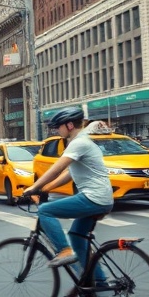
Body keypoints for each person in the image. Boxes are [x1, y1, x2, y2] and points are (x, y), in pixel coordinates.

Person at [23, 107, 113, 283]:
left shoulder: (78, 143)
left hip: (93, 198)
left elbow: (57, 168)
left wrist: (34, 187)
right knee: (77, 236)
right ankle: (99, 282)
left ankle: (64, 250)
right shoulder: (83, 141)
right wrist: (47, 187)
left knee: (45, 210)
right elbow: (69, 174)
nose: (57, 130)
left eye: (59, 126)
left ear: (70, 125)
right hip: (101, 198)